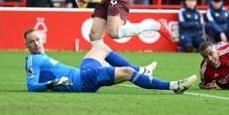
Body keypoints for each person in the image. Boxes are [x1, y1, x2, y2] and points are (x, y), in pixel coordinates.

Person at [24, 28, 196, 93]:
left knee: (100, 47)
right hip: (84, 81)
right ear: (27, 45)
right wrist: (51, 84)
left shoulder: (41, 56)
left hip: (83, 73)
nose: (36, 43)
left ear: (43, 38)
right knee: (128, 73)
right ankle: (173, 86)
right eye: (32, 41)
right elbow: (31, 87)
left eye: (38, 39)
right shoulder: (33, 60)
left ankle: (143, 71)